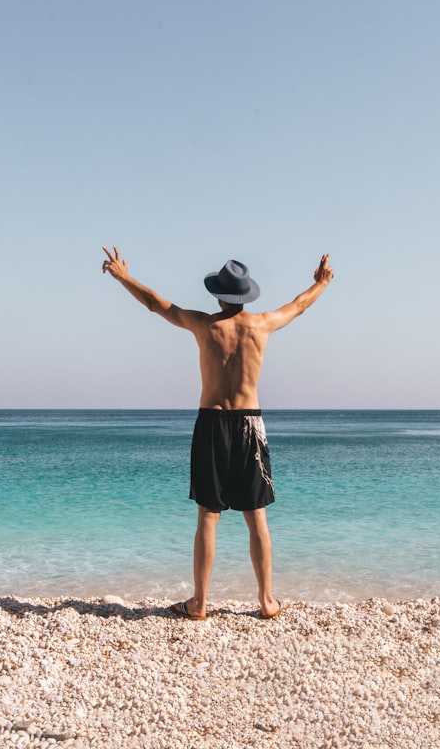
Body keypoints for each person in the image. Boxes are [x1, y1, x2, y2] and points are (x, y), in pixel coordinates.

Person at [100, 246, 334, 620]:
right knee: (256, 515)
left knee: (209, 516)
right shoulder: (262, 324)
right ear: (246, 295)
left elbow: (156, 304)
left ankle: (198, 603)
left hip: (212, 422)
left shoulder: (204, 325)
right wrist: (321, 282)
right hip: (249, 424)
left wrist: (122, 275)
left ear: (218, 295)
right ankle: (267, 601)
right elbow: (299, 305)